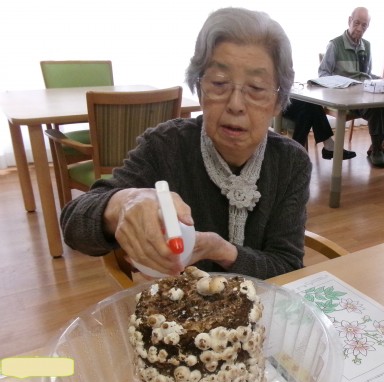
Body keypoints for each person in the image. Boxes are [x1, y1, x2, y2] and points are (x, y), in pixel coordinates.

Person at [60, 7, 311, 280]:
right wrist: (121, 204)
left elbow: (288, 267)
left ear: (277, 102)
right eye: (219, 83)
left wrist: (222, 250)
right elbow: (73, 223)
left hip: (263, 304)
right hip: (177, 304)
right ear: (199, 88)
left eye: (257, 88)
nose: (236, 105)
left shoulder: (291, 162)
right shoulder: (165, 146)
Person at [319, 6, 384, 168]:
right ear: (349, 21)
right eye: (356, 23)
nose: (359, 28)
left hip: (364, 93)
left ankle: (377, 146)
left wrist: (382, 80)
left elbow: (367, 74)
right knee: (375, 108)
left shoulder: (367, 46)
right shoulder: (335, 45)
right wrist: (340, 84)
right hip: (345, 97)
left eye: (364, 25)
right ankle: (377, 151)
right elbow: (323, 74)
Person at [282, 99, 356, 160]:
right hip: (279, 103)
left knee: (311, 105)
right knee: (309, 107)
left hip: (290, 99)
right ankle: (328, 146)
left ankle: (296, 152)